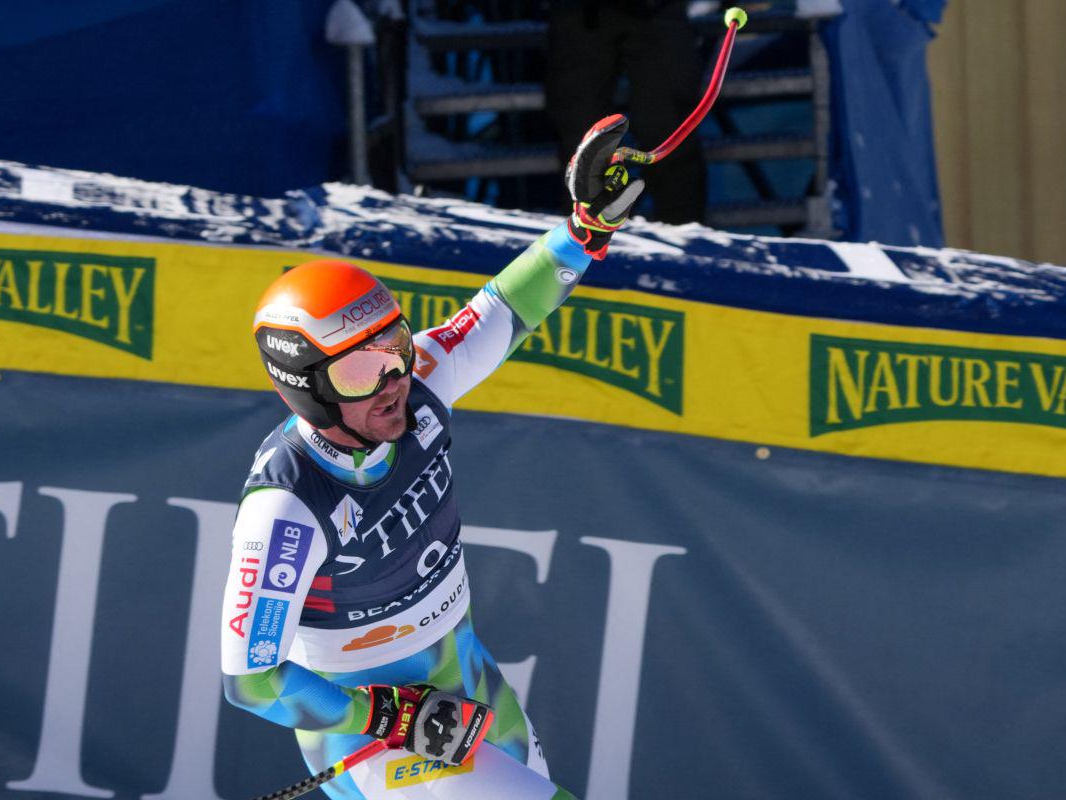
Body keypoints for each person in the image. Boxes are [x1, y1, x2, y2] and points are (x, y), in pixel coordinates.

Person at [219, 114, 645, 799]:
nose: (393, 381)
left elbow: (505, 310)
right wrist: (385, 718)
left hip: (464, 676)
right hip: (376, 735)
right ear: (309, 390)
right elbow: (251, 680)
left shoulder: (415, 385)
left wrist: (586, 229)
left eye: (395, 347)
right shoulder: (286, 506)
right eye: (361, 372)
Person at [546, 0, 706, 225]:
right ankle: (582, 233)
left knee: (670, 131)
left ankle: (684, 232)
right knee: (581, 136)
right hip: (582, 14)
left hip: (656, 11)